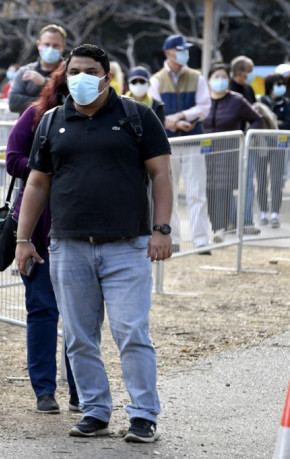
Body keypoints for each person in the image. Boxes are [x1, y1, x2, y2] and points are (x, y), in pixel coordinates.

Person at [16, 44, 172, 442]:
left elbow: (161, 175)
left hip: (127, 245)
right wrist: (22, 238)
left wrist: (162, 229)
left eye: (88, 70)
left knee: (131, 332)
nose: (79, 78)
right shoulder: (51, 121)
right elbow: (36, 182)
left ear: (106, 75)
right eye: (73, 71)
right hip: (68, 246)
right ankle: (95, 409)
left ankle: (143, 415)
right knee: (79, 336)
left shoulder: (137, 117)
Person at [6, 64, 79, 414]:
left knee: (81, 317)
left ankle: (82, 389)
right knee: (42, 311)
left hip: (82, 228)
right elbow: (12, 159)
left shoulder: (104, 119)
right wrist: (45, 171)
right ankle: (44, 390)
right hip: (37, 226)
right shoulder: (36, 114)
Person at [150, 34, 212, 253]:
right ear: (169, 53)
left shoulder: (197, 77)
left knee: (197, 190)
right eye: (180, 50)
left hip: (193, 139)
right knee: (170, 191)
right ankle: (173, 238)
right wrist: (173, 122)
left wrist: (180, 117)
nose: (184, 53)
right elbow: (153, 110)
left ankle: (201, 240)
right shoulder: (156, 79)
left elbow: (204, 107)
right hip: (167, 144)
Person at [202, 63, 261, 242]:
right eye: (216, 76)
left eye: (223, 77)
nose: (220, 80)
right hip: (203, 151)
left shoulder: (237, 100)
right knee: (207, 190)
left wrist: (245, 138)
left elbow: (257, 119)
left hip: (227, 150)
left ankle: (219, 227)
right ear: (209, 80)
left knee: (222, 189)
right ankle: (215, 225)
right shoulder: (202, 99)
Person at [8, 24, 67, 114]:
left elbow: (68, 102)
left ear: (63, 47)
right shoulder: (25, 71)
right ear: (39, 45)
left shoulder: (69, 72)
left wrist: (45, 83)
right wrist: (51, 100)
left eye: (55, 46)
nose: (50, 49)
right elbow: (14, 103)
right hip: (29, 126)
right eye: (47, 44)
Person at [259, 72, 290, 228]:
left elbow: (287, 124)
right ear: (270, 85)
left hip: (279, 145)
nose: (281, 87)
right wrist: (276, 122)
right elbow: (260, 122)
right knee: (262, 179)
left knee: (277, 180)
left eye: (282, 84)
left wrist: (274, 123)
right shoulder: (260, 102)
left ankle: (275, 214)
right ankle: (263, 212)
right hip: (261, 145)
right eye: (278, 84)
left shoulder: (287, 104)